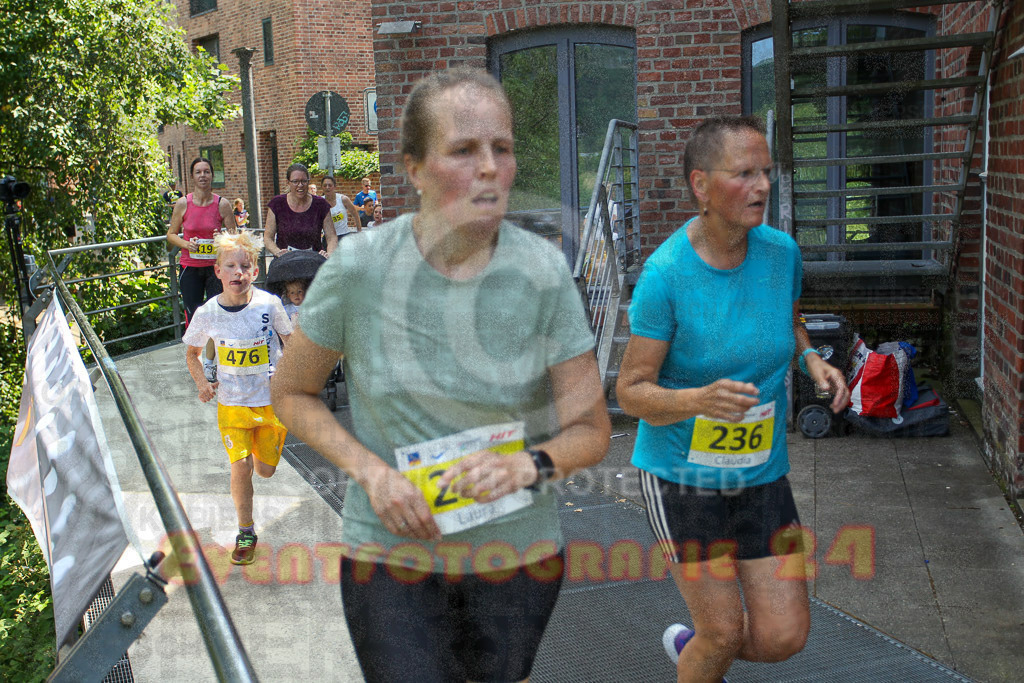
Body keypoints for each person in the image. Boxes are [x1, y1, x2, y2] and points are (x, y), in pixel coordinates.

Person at [271, 67, 610, 683]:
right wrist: (372, 474)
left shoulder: (543, 273)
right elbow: (291, 393)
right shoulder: (358, 269)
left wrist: (525, 465)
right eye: (464, 150)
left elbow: (591, 429)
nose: (489, 168)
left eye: (501, 149)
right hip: (389, 550)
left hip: (516, 553)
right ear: (416, 169)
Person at [615, 116, 850, 683]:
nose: (763, 185)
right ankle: (706, 651)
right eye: (744, 173)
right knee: (723, 631)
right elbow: (631, 392)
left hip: (760, 472)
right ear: (701, 184)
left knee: (783, 636)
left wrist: (810, 357)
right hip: (682, 476)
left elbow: (787, 323)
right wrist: (699, 399)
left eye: (765, 172)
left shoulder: (780, 254)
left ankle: (693, 650)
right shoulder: (666, 275)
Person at [183, 230, 294, 565]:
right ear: (217, 271)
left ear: (255, 272)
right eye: (229, 266)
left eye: (245, 266)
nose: (238, 273)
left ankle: (265, 461)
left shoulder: (269, 305)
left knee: (264, 470)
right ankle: (245, 531)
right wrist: (203, 383)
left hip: (269, 401)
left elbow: (291, 342)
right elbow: (192, 353)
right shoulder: (207, 314)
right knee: (240, 467)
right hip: (231, 404)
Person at [166, 157, 235, 382]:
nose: (203, 176)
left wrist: (222, 238)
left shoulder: (222, 204)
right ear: (192, 176)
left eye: (207, 171)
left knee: (216, 314)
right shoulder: (183, 204)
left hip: (215, 268)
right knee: (195, 315)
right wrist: (186, 244)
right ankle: (193, 360)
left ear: (212, 175)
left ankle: (210, 362)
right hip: (191, 267)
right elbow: (171, 235)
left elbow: (235, 237)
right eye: (198, 172)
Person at [264, 163, 337, 257]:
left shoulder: (321, 204)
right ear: (288, 182)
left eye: (304, 181)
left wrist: (329, 254)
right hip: (284, 263)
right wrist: (277, 252)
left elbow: (331, 237)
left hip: (314, 261)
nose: (300, 185)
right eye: (295, 181)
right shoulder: (277, 204)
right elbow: (268, 237)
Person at [321, 175, 360, 241]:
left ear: (334, 187)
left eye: (330, 185)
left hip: (343, 236)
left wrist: (359, 231)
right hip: (328, 237)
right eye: (325, 185)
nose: (327, 187)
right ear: (322, 187)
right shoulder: (320, 202)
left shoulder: (343, 199)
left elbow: (355, 215)